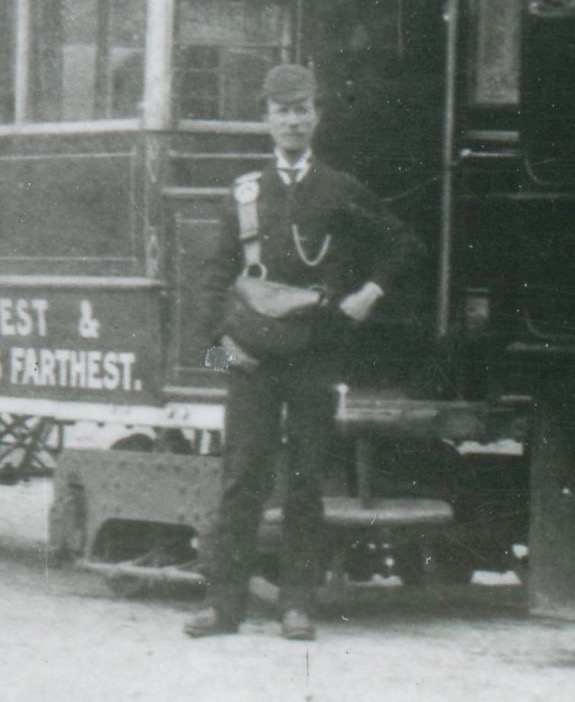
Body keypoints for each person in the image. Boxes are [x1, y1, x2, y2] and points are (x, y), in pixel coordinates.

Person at [184, 64, 422, 640]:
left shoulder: (338, 189)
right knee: (241, 478)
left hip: (316, 354)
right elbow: (212, 282)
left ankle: (296, 605)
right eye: (282, 110)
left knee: (305, 480)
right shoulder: (246, 193)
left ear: (317, 116)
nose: (293, 120)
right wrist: (221, 352)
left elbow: (404, 244)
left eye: (302, 109)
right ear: (265, 118)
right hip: (249, 360)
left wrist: (370, 292)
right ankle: (224, 607)